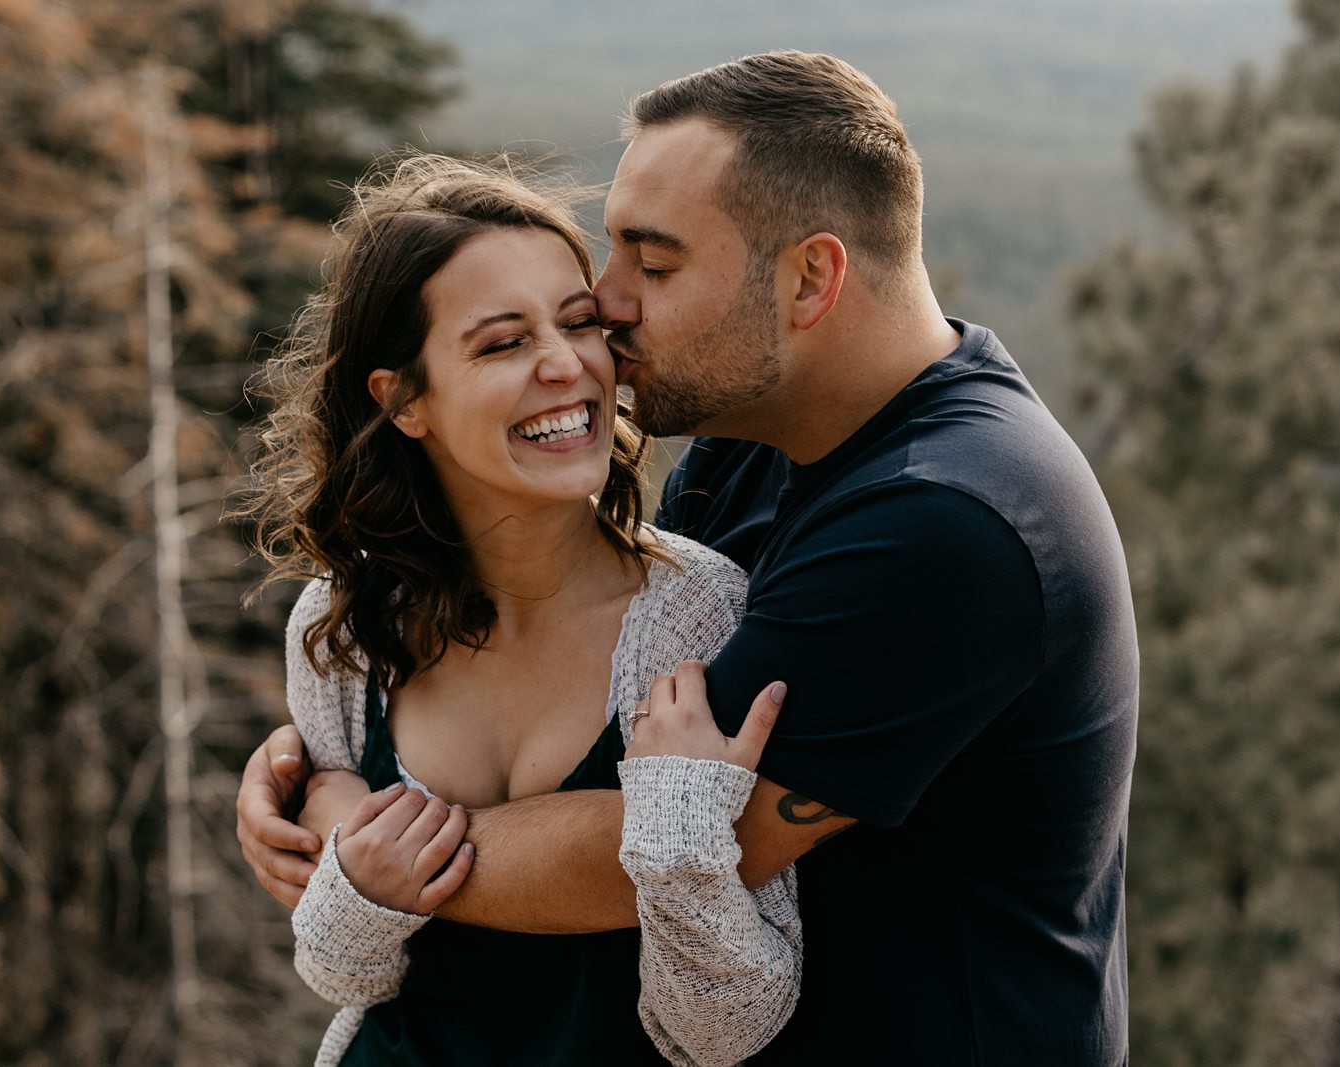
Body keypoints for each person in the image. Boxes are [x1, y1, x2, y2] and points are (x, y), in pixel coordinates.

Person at [240, 51, 1139, 1065]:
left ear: (811, 277)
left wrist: (354, 827)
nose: (606, 304)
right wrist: (319, 762)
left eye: (651, 262)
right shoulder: (749, 442)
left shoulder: (949, 521)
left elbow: (656, 846)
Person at [238, 155, 801, 1066]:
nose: (564, 365)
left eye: (578, 323)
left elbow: (728, 1024)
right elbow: (345, 974)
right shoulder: (341, 633)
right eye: (502, 342)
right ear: (404, 401)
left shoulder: (704, 615)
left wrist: (679, 830)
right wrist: (356, 884)